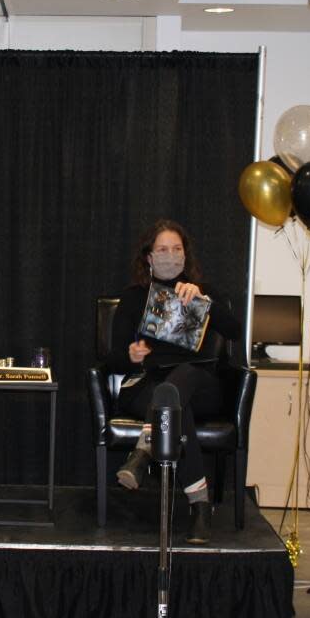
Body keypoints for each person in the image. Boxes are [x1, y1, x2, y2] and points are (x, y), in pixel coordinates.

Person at [105, 220, 242, 545]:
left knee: (185, 376)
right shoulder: (134, 297)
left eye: (177, 249)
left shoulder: (202, 291)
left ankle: (143, 450)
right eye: (162, 249)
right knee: (172, 401)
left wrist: (204, 302)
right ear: (149, 257)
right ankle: (200, 509)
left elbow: (235, 331)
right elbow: (112, 360)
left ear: (186, 254)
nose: (170, 255)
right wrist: (131, 355)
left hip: (201, 384)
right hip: (150, 385)